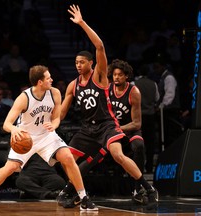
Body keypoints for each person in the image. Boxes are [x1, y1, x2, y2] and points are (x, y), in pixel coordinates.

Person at [58, 4, 158, 207]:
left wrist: (81, 23)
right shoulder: (72, 85)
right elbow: (62, 111)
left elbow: (100, 47)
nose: (78, 65)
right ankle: (79, 193)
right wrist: (52, 123)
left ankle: (147, 188)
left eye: (82, 62)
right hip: (87, 129)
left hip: (106, 124)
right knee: (66, 158)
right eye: (76, 62)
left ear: (90, 63)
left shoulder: (100, 75)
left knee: (118, 155)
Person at [0, 65, 98, 213]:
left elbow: (56, 118)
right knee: (10, 168)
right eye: (48, 77)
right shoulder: (24, 98)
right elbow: (6, 124)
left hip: (46, 135)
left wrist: (53, 125)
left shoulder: (55, 93)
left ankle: (84, 199)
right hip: (26, 137)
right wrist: (15, 129)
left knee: (68, 158)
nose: (52, 79)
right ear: (39, 82)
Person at [108, 59, 145, 195]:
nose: (116, 77)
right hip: (111, 131)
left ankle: (138, 187)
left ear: (126, 76)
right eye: (114, 74)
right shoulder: (107, 89)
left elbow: (137, 123)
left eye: (120, 75)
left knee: (138, 146)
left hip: (129, 130)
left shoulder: (133, 92)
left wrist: (119, 128)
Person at [132, 64, 160, 173]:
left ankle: (138, 168)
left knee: (138, 142)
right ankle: (149, 167)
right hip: (150, 116)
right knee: (150, 143)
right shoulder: (153, 84)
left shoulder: (134, 84)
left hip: (138, 117)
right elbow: (157, 98)